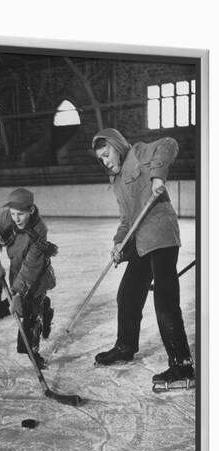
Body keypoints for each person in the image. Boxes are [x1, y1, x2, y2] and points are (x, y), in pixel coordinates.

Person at [91, 128, 194, 391]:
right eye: (101, 158)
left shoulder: (138, 153)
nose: (105, 161)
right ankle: (125, 346)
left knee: (164, 299)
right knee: (127, 294)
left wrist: (158, 177)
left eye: (107, 154)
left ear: (117, 145)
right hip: (139, 243)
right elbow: (127, 220)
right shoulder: (116, 181)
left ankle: (182, 364)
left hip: (161, 234)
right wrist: (118, 243)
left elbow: (169, 144)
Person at [0, 188, 56, 370]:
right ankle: (46, 308)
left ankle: (33, 351)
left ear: (30, 210)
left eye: (20, 214)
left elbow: (31, 267)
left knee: (30, 315)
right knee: (27, 308)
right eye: (13, 213)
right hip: (17, 271)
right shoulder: (7, 217)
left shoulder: (39, 230)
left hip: (36, 276)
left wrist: (17, 294)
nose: (15, 218)